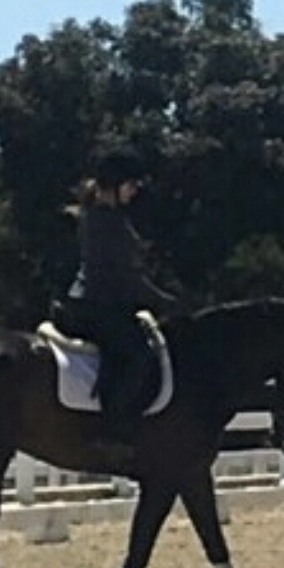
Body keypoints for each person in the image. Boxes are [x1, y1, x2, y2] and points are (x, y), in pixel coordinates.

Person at [54, 146, 176, 440]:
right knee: (138, 356)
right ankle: (111, 429)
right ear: (115, 184)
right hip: (97, 305)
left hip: (96, 301)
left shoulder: (102, 215)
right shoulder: (106, 220)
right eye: (131, 184)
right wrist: (165, 302)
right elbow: (128, 277)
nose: (134, 191)